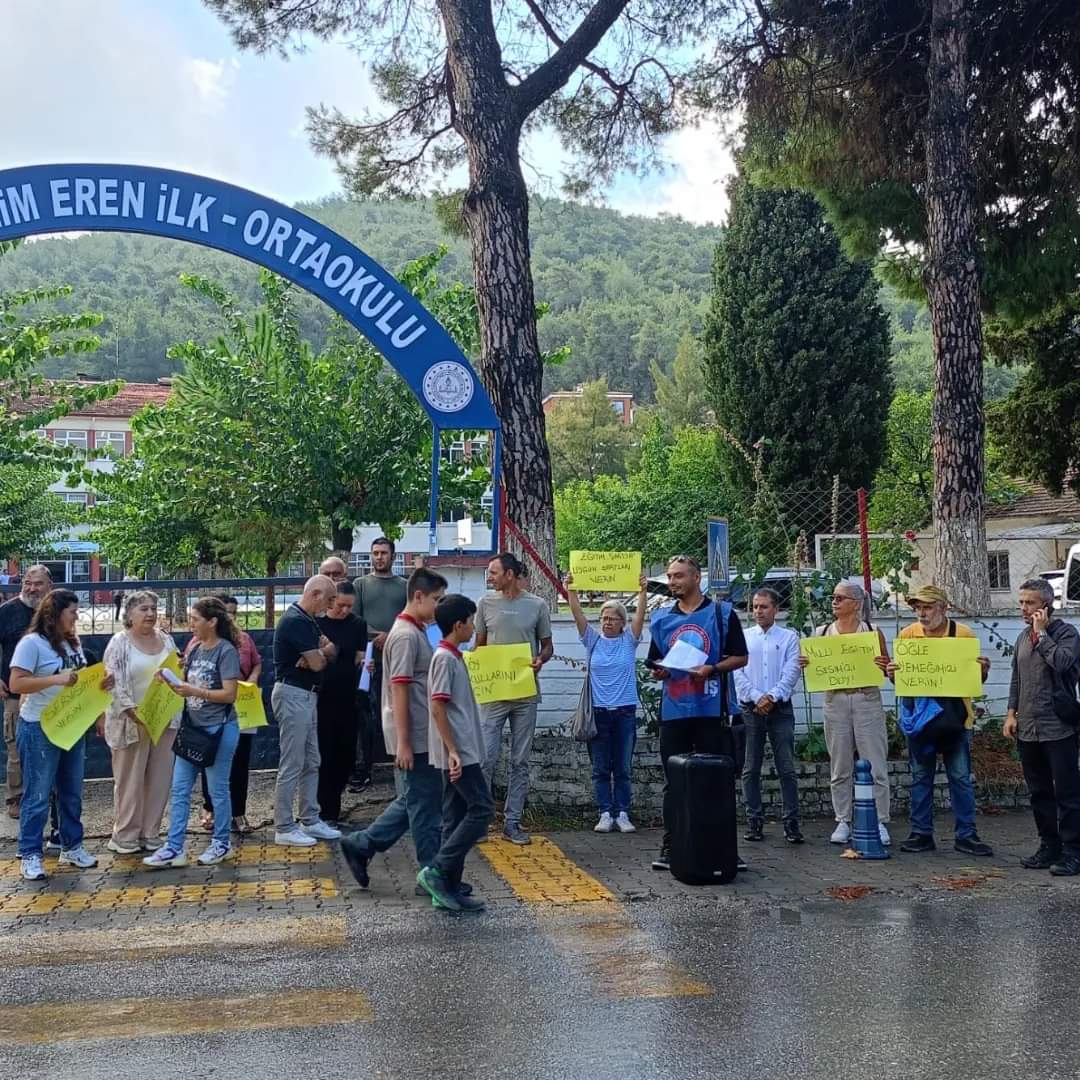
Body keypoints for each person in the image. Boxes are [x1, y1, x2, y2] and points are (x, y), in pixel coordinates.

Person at [340, 568, 448, 890]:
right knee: (425, 806)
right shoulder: (404, 636)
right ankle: (432, 874)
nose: (439, 607)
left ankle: (362, 844)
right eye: (436, 600)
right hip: (412, 733)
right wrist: (403, 742)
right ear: (418, 597)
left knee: (416, 799)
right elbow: (399, 688)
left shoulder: (418, 631)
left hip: (420, 730)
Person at [646, 555, 749, 872]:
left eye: (678, 576)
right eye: (669, 576)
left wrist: (713, 668)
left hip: (711, 710)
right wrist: (659, 673)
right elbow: (655, 661)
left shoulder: (721, 613)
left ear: (696, 578)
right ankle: (671, 844)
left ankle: (724, 848)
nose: (672, 581)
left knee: (717, 781)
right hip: (675, 712)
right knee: (673, 781)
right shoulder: (662, 619)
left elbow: (741, 657)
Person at [886, 585, 993, 856]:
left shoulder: (962, 635)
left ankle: (966, 835)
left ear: (943, 608)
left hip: (955, 719)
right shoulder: (907, 635)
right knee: (921, 777)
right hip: (921, 720)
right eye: (918, 608)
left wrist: (982, 671)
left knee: (960, 778)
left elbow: (974, 682)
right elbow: (904, 682)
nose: (922, 613)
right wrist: (892, 673)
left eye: (928, 607)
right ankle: (921, 833)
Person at [10, 588, 105, 881]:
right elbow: (16, 683)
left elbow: (80, 683)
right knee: (38, 793)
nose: (76, 617)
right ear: (55, 613)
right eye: (72, 612)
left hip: (71, 725)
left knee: (71, 790)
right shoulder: (32, 643)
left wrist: (102, 686)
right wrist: (56, 679)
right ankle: (30, 853)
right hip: (39, 725)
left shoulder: (72, 643)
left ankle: (72, 845)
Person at [144, 597, 242, 869]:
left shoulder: (226, 651)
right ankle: (175, 847)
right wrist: (171, 678)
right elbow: (187, 686)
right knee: (179, 789)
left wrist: (194, 691)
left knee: (217, 789)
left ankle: (221, 843)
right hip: (194, 728)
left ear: (212, 622)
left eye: (196, 619)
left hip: (219, 728)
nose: (191, 625)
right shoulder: (196, 649)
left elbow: (229, 694)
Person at [416, 593, 494, 913]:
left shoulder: (455, 656)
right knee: (482, 808)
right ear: (458, 625)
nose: (474, 628)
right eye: (471, 622)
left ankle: (448, 884)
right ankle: (438, 871)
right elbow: (437, 707)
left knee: (456, 815)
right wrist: (453, 751)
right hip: (459, 750)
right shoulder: (444, 658)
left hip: (462, 747)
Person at [800, 581, 892, 846]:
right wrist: (808, 663)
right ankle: (843, 819)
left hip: (866, 698)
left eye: (840, 598)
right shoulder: (822, 632)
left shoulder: (872, 631)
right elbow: (814, 668)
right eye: (833, 597)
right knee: (840, 764)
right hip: (835, 699)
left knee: (875, 762)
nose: (834, 602)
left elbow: (885, 669)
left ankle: (880, 820)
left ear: (856, 603)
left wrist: (883, 664)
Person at [1004, 577, 1080, 876]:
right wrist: (1011, 714)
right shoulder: (1022, 638)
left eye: (1030, 603)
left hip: (1058, 726)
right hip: (1028, 727)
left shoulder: (1066, 634)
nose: (1024, 608)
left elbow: (1062, 663)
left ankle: (1073, 851)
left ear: (1045, 606)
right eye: (1021, 602)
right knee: (1038, 792)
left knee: (1067, 792)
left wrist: (1042, 634)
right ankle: (1049, 845)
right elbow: (1017, 679)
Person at [476, 552, 553, 845]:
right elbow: (479, 646)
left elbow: (547, 646)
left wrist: (539, 660)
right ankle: (480, 821)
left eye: (493, 572)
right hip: (494, 693)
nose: (489, 577)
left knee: (520, 760)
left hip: (525, 692)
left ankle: (512, 822)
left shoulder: (537, 605)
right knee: (486, 758)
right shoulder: (485, 604)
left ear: (510, 574)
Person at [565, 571, 648, 834]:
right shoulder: (593, 641)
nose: (608, 622)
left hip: (624, 713)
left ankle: (622, 813)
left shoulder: (629, 641)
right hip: (598, 714)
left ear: (623, 623)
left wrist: (643, 590)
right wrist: (571, 591)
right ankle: (604, 813)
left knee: (622, 766)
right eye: (604, 618)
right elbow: (577, 615)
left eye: (613, 618)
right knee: (601, 767)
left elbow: (640, 617)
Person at [100, 591, 183, 854]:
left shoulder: (167, 640)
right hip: (131, 721)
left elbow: (178, 671)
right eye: (143, 609)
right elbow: (114, 682)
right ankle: (125, 836)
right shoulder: (119, 642)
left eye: (153, 609)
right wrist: (132, 711)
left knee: (160, 779)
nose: (149, 614)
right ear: (129, 614)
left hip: (164, 720)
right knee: (129, 780)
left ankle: (151, 833)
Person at [271, 575, 342, 847]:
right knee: (293, 762)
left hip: (307, 696)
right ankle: (284, 825)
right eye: (329, 599)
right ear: (315, 594)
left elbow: (329, 651)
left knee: (312, 759)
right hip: (293, 695)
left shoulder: (308, 620)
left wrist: (318, 654)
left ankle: (310, 818)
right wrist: (318, 655)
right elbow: (318, 663)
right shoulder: (295, 621)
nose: (332, 605)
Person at [734, 587, 804, 845]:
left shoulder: (788, 637)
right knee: (750, 767)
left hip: (780, 709)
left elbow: (792, 670)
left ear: (775, 609)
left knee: (786, 766)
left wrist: (772, 697)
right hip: (751, 709)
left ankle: (792, 822)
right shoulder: (743, 636)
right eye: (755, 607)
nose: (758, 611)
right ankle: (754, 821)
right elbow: (737, 671)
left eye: (764, 606)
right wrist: (756, 697)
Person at [190, 596, 263, 835]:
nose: (230, 617)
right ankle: (209, 808)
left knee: (240, 760)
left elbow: (256, 663)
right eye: (226, 613)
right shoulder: (197, 643)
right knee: (209, 760)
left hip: (243, 705)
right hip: (211, 712)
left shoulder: (244, 640)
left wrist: (251, 680)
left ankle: (238, 811)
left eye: (234, 612)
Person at [349, 538, 407, 791]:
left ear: (393, 556)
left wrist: (390, 636)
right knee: (366, 715)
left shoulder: (404, 586)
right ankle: (363, 769)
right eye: (375, 553)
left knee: (398, 711)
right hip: (369, 660)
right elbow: (356, 620)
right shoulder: (360, 585)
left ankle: (401, 764)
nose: (379, 557)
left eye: (384, 553)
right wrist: (376, 636)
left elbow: (410, 618)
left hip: (398, 658)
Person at [0, 565, 52, 819]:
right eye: (27, 583)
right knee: (17, 751)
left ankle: (46, 796)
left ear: (49, 586)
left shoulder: (56, 613)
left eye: (38, 583)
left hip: (51, 695)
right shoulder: (7, 612)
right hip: (15, 695)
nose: (32, 588)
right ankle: (16, 798)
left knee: (50, 747)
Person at [315, 581, 368, 824]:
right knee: (325, 753)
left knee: (345, 754)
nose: (345, 611)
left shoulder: (357, 624)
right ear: (331, 601)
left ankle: (333, 804)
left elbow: (359, 655)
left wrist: (367, 664)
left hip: (348, 696)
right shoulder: (317, 623)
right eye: (341, 605)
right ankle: (324, 810)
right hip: (322, 696)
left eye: (349, 606)